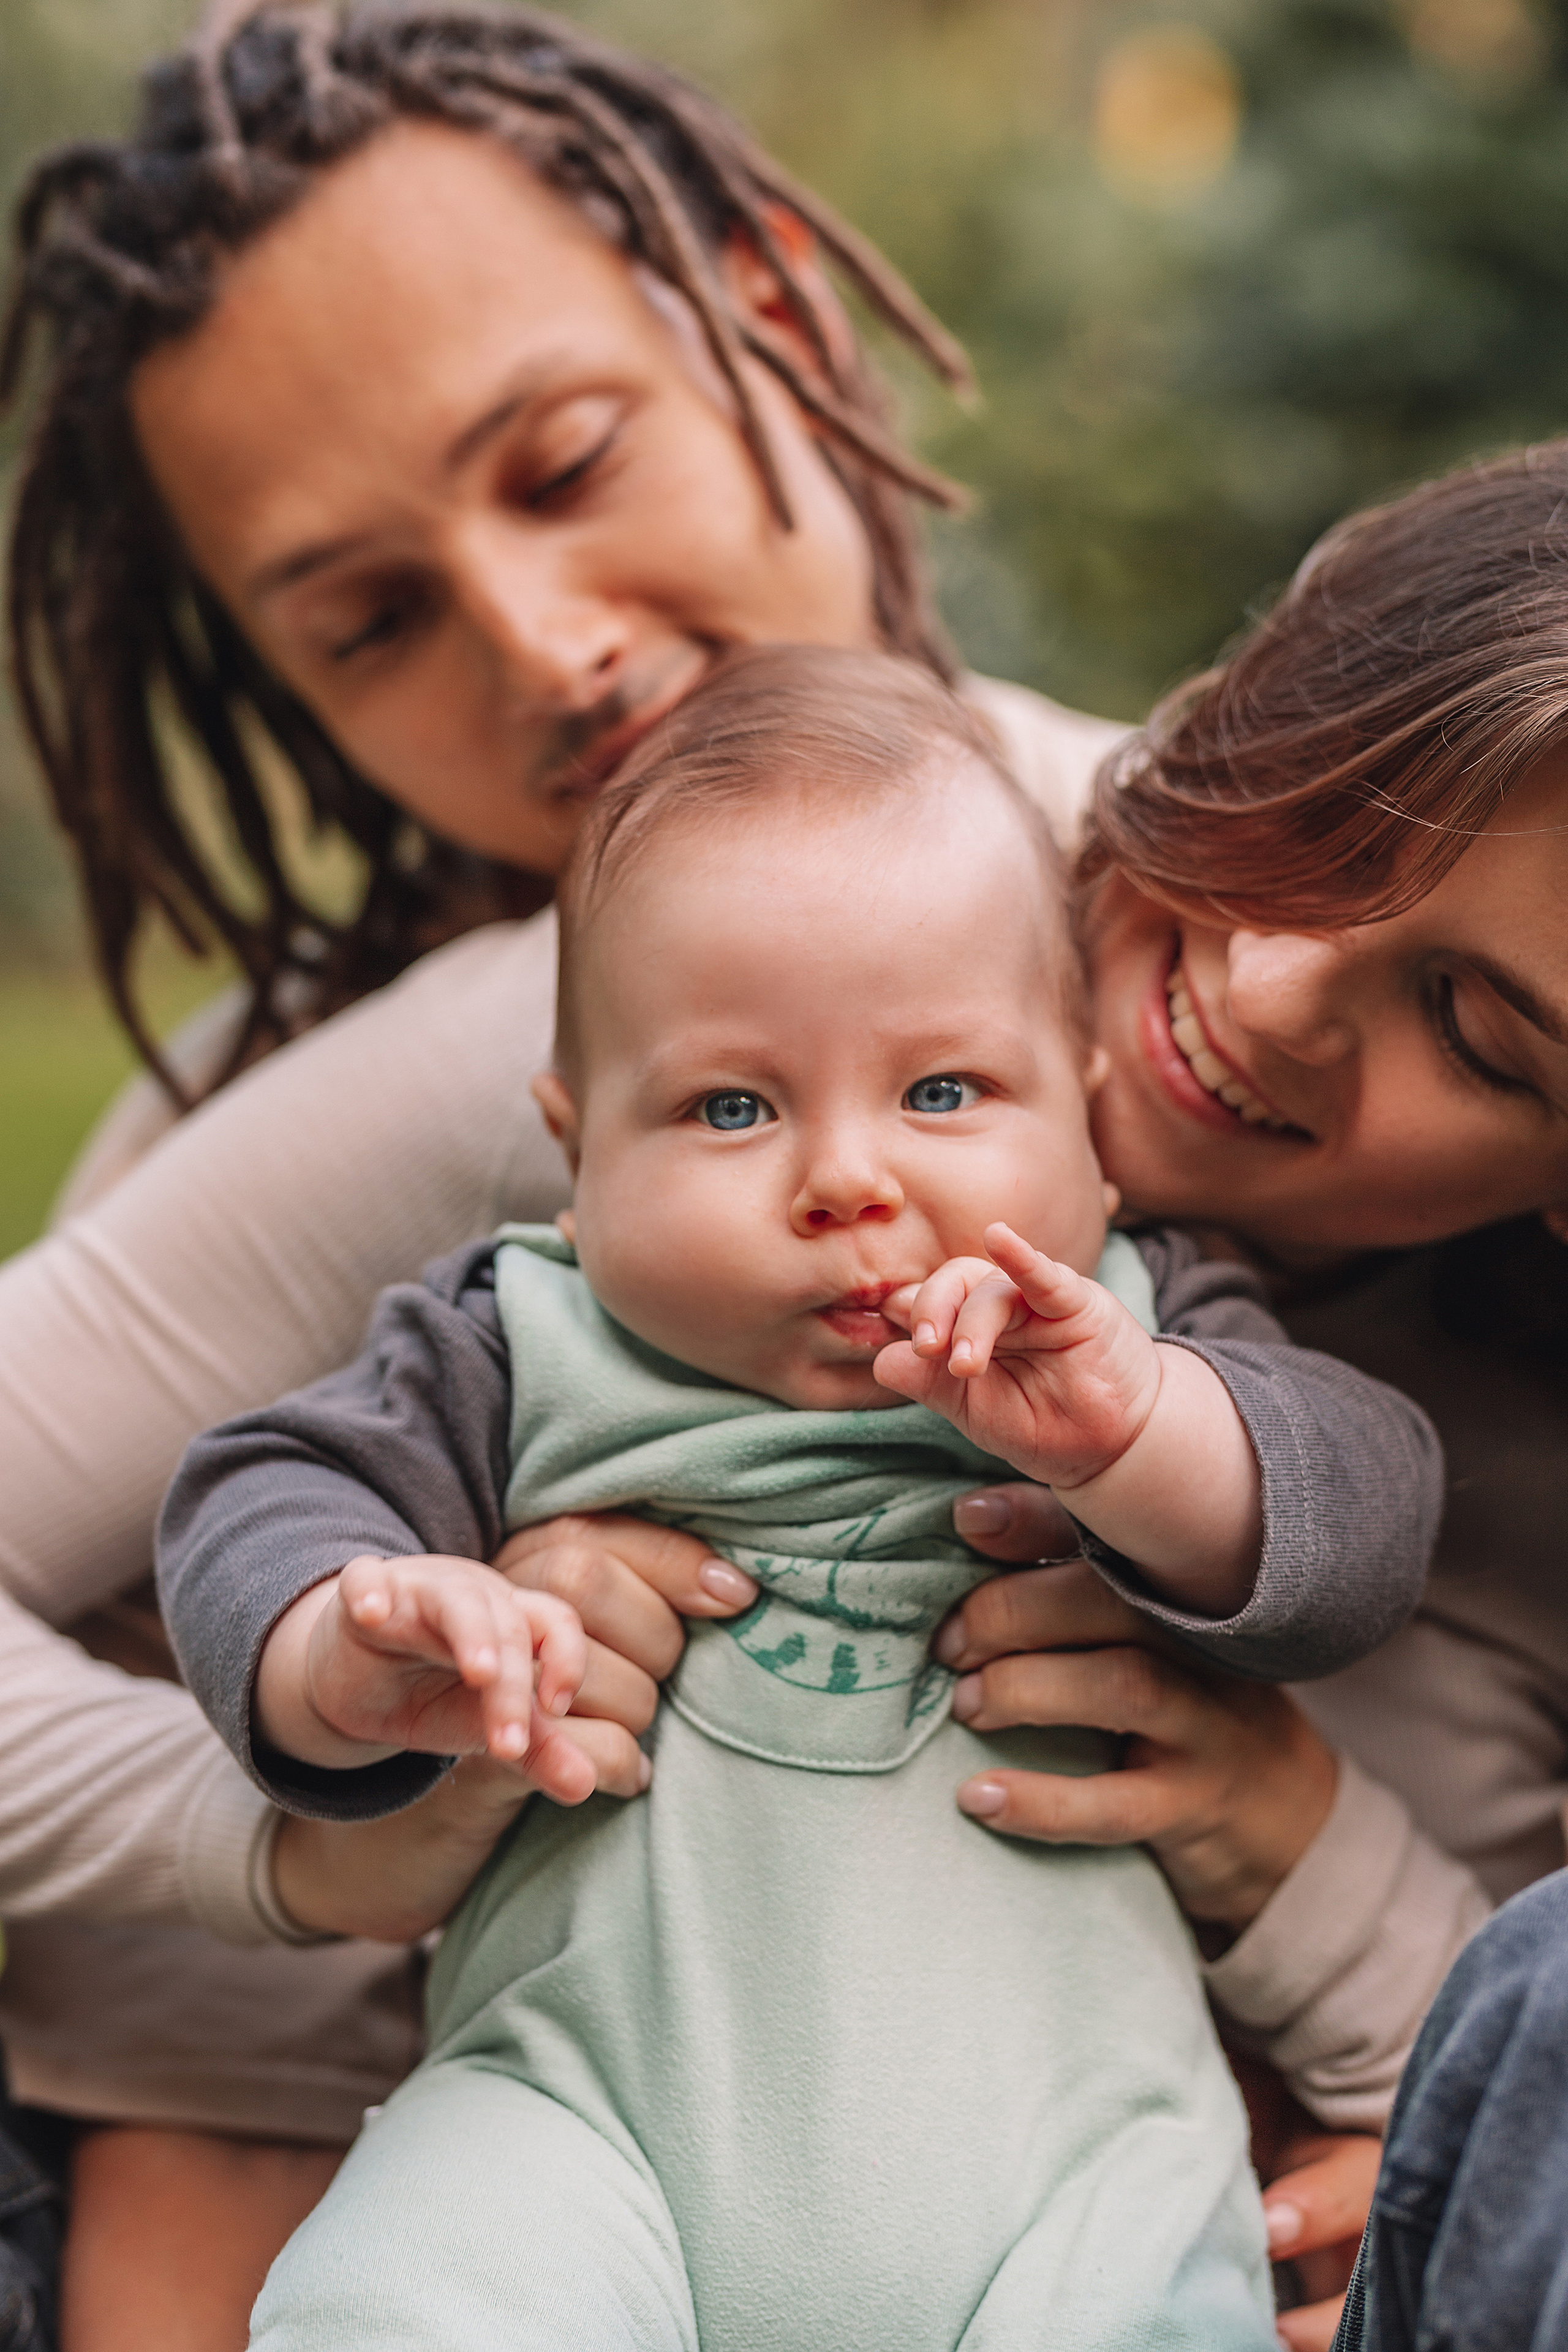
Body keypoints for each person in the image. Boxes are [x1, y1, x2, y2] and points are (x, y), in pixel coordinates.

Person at [0, 1, 1562, 2342]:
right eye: (370, 619)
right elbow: (207, 2085)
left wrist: (1399, 2062)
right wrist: (334, 1800)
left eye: (565, 457)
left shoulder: (1218, 1229)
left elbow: (1489, 2042)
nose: (1257, 978)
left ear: (775, 314)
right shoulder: (589, 1086)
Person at [156, 648, 1439, 2351]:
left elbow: (1361, 1524)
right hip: (581, 2124)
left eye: (943, 1092)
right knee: (404, 2298)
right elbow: (257, 1493)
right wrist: (351, 1642)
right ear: (578, 1149)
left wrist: (1143, 1435)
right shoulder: (519, 1335)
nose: (850, 1178)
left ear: (1092, 1126)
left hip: (1074, 2175)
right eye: (732, 1105)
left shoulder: (1139, 1327)